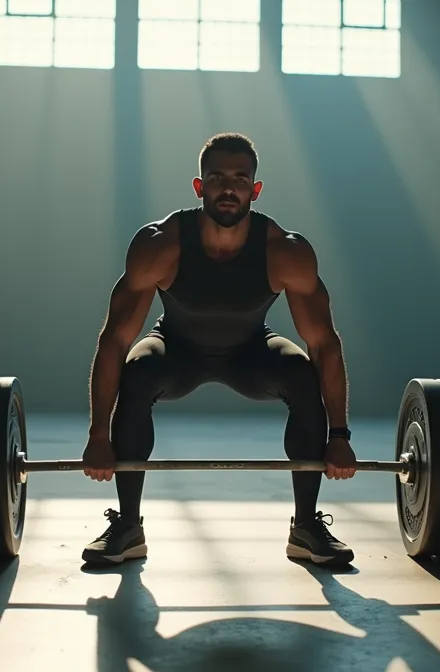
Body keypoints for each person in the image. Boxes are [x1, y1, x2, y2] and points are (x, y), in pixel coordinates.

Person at [80, 132, 358, 567]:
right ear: (199, 186)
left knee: (302, 372)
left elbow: (324, 343)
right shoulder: (161, 244)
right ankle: (128, 527)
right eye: (217, 178)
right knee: (139, 369)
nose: (229, 188)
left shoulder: (285, 251)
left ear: (255, 189)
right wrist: (99, 436)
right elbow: (114, 338)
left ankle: (305, 528)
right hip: (176, 349)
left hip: (250, 351)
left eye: (240, 179)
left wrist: (339, 437)